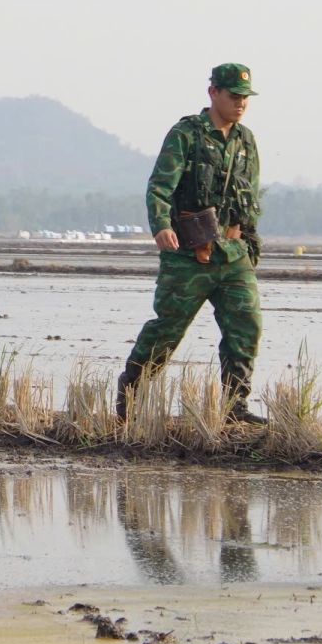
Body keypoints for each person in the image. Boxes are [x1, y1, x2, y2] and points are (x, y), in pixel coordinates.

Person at [117, 63, 265, 424]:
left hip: (233, 253)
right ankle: (131, 390)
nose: (240, 103)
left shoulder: (246, 141)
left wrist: (252, 243)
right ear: (213, 92)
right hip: (188, 253)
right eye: (233, 96)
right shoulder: (187, 134)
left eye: (245, 97)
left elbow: (251, 198)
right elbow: (160, 186)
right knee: (167, 330)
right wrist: (161, 226)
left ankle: (235, 407)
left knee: (246, 326)